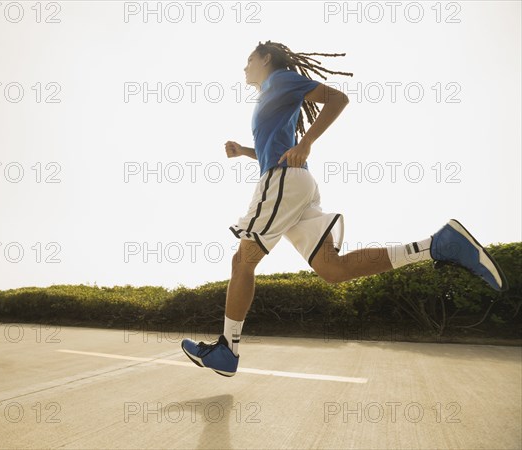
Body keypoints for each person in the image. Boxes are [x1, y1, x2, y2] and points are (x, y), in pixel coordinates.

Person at [181, 40, 508, 377]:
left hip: (282, 182)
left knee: (242, 260)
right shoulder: (270, 94)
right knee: (332, 269)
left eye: (249, 60)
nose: (244, 67)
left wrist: (307, 142)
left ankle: (227, 349)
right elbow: (276, 147)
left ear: (266, 58)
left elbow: (338, 98)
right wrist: (246, 151)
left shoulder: (281, 79)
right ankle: (437, 246)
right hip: (293, 185)